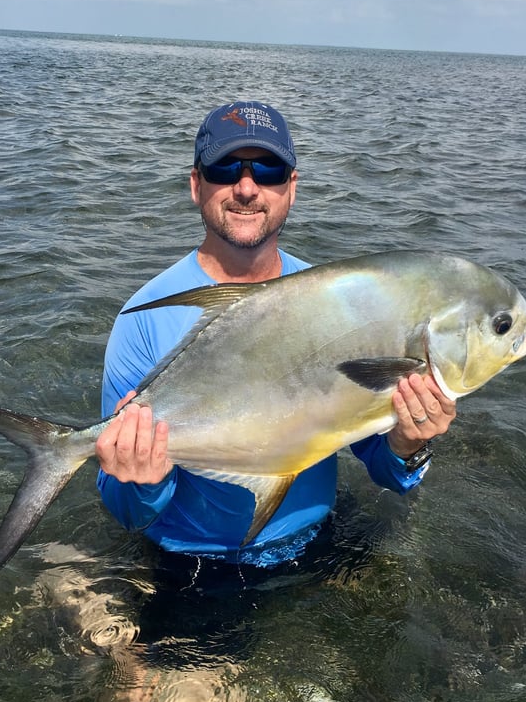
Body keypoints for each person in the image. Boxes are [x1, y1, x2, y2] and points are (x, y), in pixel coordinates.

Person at [95, 101, 456, 567]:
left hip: (322, 541)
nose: (247, 188)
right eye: (225, 168)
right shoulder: (142, 317)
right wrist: (141, 481)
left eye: (268, 170)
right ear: (195, 184)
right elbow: (124, 511)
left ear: (291, 188)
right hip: (192, 562)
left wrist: (411, 445)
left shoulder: (339, 301)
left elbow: (382, 461)